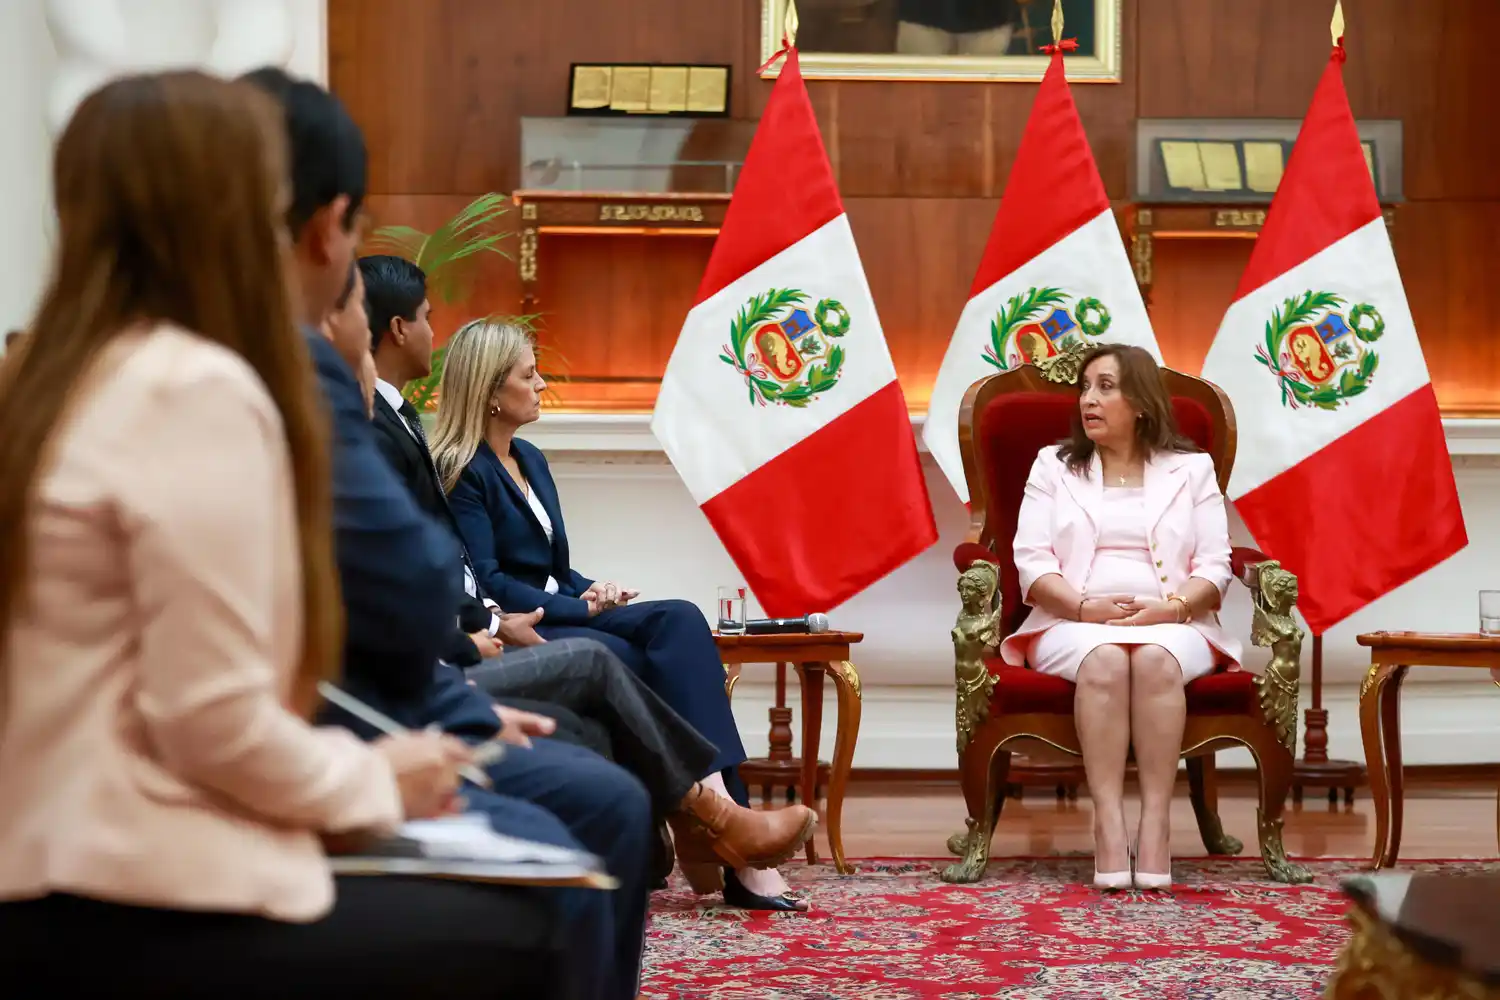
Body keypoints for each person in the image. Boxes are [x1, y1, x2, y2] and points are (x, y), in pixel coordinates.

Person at [0, 71, 579, 996]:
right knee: (544, 904)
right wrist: (378, 778)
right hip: (121, 882)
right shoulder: (194, 385)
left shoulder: (43, 377)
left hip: (44, 849)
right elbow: (211, 723)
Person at [242, 66, 644, 999]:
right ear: (328, 227)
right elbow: (413, 588)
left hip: (313, 726)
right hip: (212, 817)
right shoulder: (288, 373)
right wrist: (388, 761)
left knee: (595, 758)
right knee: (588, 828)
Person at [360, 255, 815, 905]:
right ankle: (726, 831)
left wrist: (591, 589)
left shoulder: (531, 459)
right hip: (525, 623)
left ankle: (719, 820)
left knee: (679, 620)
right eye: (529, 374)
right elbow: (489, 578)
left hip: (561, 608)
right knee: (643, 653)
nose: (542, 383)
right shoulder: (464, 469)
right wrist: (576, 610)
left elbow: (553, 566)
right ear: (492, 391)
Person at [999, 343, 1240, 892]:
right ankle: (1108, 823)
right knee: (1105, 659)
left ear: (1141, 402)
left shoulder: (1192, 469)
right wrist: (1083, 608)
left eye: (1105, 387)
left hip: (1175, 623)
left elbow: (1216, 565)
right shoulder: (1053, 466)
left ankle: (1156, 823)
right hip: (1069, 622)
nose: (1089, 399)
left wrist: (1172, 608)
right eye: (1085, 388)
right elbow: (1031, 561)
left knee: (1155, 659)